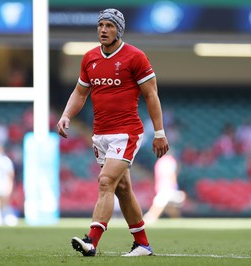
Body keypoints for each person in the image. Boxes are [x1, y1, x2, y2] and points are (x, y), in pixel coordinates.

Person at [57, 8, 169, 257]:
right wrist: (66, 115)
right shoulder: (89, 58)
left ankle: (92, 241)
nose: (103, 30)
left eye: (109, 25)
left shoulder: (135, 57)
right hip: (100, 135)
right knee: (122, 189)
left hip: (126, 132)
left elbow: (151, 95)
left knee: (106, 181)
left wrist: (159, 132)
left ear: (119, 29)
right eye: (100, 25)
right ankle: (142, 244)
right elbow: (80, 92)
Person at [143, 152, 186, 224]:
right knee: (162, 204)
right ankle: (150, 217)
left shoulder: (160, 161)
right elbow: (172, 175)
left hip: (162, 186)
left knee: (165, 204)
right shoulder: (170, 161)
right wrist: (174, 186)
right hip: (168, 186)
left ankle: (150, 218)